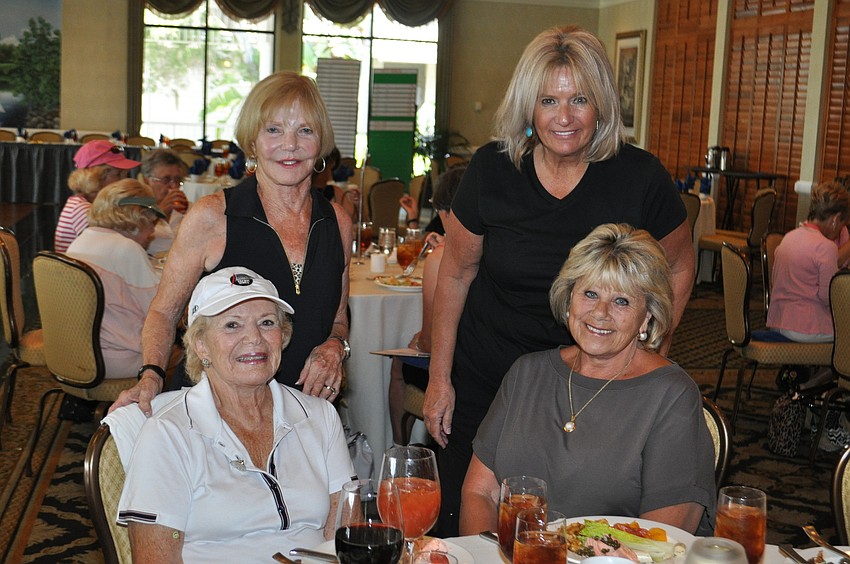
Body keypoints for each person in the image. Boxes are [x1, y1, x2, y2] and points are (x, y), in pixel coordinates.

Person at [423, 25, 694, 536]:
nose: (563, 117)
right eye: (548, 100)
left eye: (579, 100)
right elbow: (455, 274)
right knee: (471, 527)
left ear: (602, 105)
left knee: (583, 527)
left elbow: (680, 266)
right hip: (490, 378)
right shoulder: (492, 170)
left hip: (595, 384)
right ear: (528, 106)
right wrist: (440, 378)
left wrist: (650, 350)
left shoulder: (638, 177)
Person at [111, 72, 353, 415]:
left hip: (303, 413)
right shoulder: (214, 217)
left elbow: (338, 319)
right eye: (273, 130)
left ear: (321, 141)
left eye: (305, 130)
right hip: (215, 412)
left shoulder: (338, 223)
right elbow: (164, 312)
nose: (290, 144)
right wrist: (151, 375)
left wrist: (335, 346)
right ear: (252, 142)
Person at [460, 224, 715, 536]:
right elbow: (480, 493)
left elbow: (660, 539)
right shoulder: (527, 373)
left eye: (622, 301)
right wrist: (488, 554)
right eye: (590, 294)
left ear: (647, 316)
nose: (600, 312)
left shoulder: (671, 395)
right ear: (570, 298)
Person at [117, 267, 354, 561]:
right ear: (201, 345)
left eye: (267, 323)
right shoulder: (169, 433)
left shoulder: (320, 417)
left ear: (283, 337)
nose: (254, 338)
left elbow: (343, 532)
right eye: (232, 325)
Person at [66, 179, 181, 379]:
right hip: (117, 358)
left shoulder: (82, 239)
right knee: (194, 353)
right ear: (137, 219)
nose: (152, 233)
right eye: (151, 223)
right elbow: (162, 311)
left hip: (77, 352)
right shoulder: (127, 249)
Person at [388, 166, 466, 445]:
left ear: (445, 213)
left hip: (455, 371)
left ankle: (399, 446)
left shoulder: (442, 259)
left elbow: (432, 341)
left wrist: (419, 340)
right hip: (487, 363)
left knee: (399, 364)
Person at [765, 182, 850, 343]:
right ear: (835, 219)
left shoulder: (789, 237)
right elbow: (828, 298)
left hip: (777, 322)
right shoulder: (826, 247)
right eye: (842, 224)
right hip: (805, 327)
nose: (841, 230)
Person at [55, 140, 141, 252]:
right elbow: (110, 246)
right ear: (95, 178)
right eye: (118, 174)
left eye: (124, 174)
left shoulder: (94, 206)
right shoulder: (81, 209)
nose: (123, 180)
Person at [140, 148, 190, 255]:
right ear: (147, 180)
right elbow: (133, 245)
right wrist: (158, 212)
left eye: (177, 180)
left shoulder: (189, 209)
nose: (174, 186)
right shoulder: (135, 211)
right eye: (166, 180)